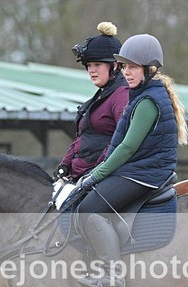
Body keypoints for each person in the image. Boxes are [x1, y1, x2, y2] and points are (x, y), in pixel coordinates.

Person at [75, 33, 188, 287]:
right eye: (124, 66)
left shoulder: (148, 102)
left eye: (133, 67)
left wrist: (97, 174)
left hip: (144, 174)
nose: (127, 72)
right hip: (140, 169)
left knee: (87, 209)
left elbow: (127, 147)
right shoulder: (144, 93)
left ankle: (113, 275)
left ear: (149, 69)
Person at [53, 22, 129, 182]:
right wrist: (64, 165)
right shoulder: (101, 96)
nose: (91, 70)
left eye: (97, 64)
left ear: (114, 65)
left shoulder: (122, 95)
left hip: (102, 177)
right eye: (89, 65)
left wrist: (96, 171)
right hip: (81, 175)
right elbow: (83, 137)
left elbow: (121, 140)